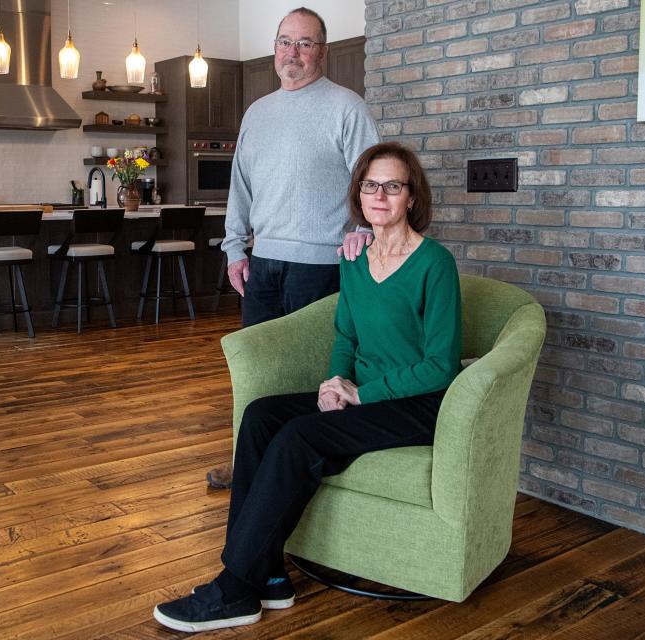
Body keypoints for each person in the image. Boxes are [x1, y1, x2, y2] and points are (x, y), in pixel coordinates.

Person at [154, 142, 462, 633]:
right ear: (358, 194)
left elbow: (440, 367)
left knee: (301, 436)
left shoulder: (435, 264)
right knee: (260, 416)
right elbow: (346, 334)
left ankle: (235, 588)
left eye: (392, 186)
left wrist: (360, 395)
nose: (379, 194)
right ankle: (269, 574)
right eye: (370, 185)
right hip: (363, 393)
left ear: (411, 197)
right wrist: (332, 383)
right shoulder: (355, 258)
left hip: (416, 404)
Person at [208, 6, 380, 490]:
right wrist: (234, 248)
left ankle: (302, 465)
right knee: (257, 370)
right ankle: (247, 460)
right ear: (274, 50)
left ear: (323, 51)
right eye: (286, 42)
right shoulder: (257, 113)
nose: (294, 52)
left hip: (323, 265)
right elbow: (239, 187)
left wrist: (362, 227)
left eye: (305, 43)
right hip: (262, 265)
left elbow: (372, 179)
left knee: (309, 373)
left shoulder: (347, 107)